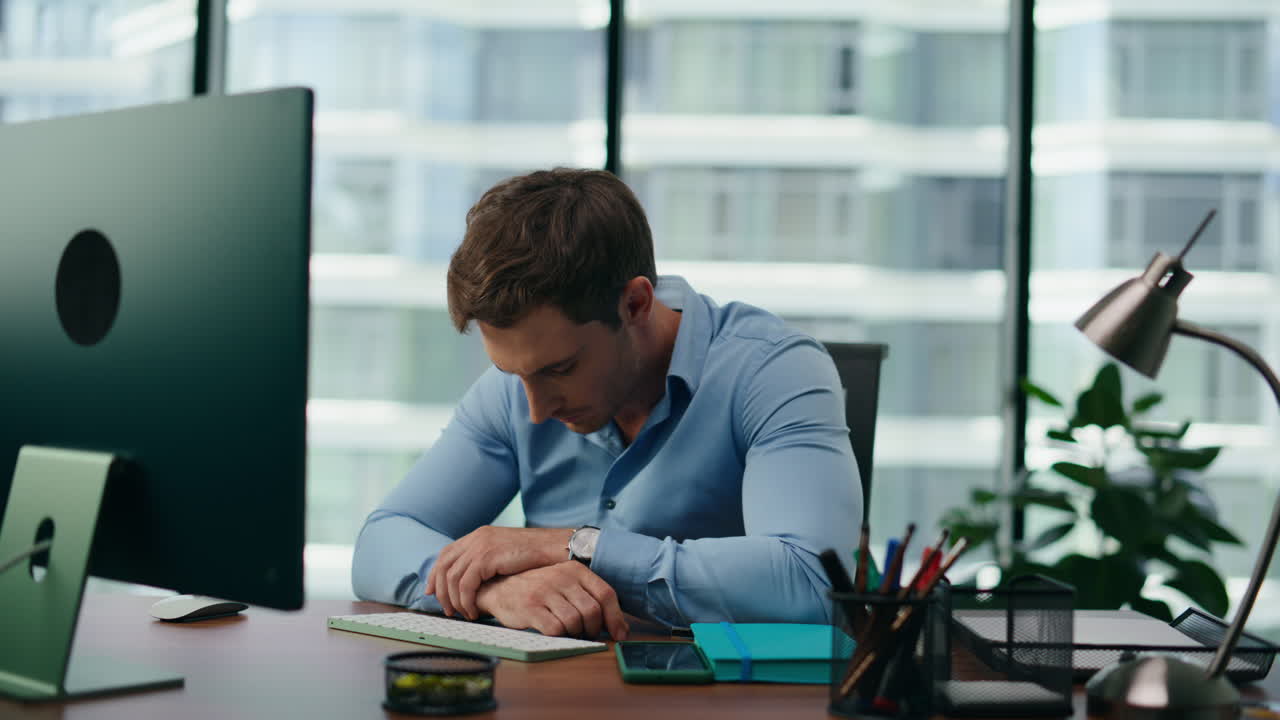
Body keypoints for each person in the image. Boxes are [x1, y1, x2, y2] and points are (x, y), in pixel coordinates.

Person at [351, 168, 861, 640]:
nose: (536, 411)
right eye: (516, 374)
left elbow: (812, 582)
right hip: (560, 696)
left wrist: (574, 546)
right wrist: (489, 591)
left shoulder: (773, 370)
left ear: (636, 303)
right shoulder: (517, 387)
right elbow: (380, 542)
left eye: (559, 369)